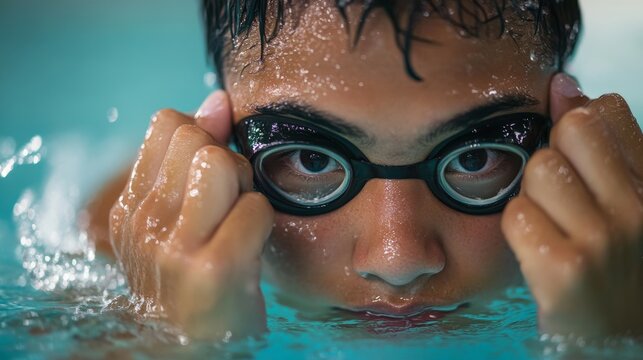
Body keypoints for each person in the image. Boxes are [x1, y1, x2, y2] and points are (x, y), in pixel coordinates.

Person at [87, 0, 643, 340]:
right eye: (310, 158)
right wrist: (164, 336)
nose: (397, 261)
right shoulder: (117, 243)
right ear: (223, 140)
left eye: (476, 157)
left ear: (566, 131)